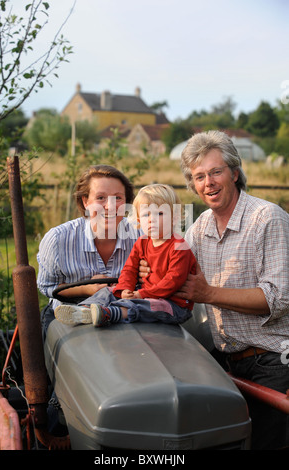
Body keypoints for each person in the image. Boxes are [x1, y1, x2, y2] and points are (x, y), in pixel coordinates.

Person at [175, 130, 289, 450]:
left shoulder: (267, 218)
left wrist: (208, 293)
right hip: (227, 364)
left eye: (216, 172)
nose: (208, 182)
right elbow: (176, 275)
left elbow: (278, 298)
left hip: (273, 364)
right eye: (199, 176)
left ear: (235, 173)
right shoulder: (200, 228)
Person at [54, 184, 196, 327]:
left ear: (175, 217)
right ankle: (83, 310)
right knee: (108, 291)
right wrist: (124, 289)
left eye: (160, 213)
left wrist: (141, 294)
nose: (152, 219)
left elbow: (172, 281)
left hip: (172, 304)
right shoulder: (142, 242)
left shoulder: (179, 246)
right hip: (143, 294)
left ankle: (111, 313)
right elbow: (130, 269)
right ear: (139, 220)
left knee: (149, 305)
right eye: (146, 214)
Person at [37, 164, 141, 332]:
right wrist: (86, 289)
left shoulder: (141, 238)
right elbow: (47, 286)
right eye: (101, 198)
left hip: (126, 315)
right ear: (85, 201)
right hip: (68, 318)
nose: (110, 206)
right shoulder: (58, 239)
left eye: (118, 198)